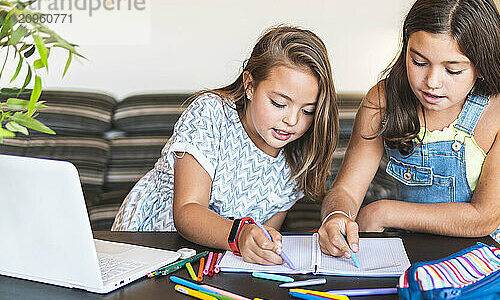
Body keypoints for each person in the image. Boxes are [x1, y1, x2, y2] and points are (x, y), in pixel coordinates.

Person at [318, 0, 500, 259]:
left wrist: (383, 211)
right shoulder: (383, 100)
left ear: (482, 65)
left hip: (481, 264)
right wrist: (337, 215)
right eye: (419, 62)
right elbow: (346, 189)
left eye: (453, 69)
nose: (431, 83)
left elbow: (483, 218)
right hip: (405, 256)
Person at [112, 25, 338, 265]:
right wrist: (240, 235)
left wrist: (262, 245)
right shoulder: (210, 114)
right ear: (250, 86)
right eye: (279, 103)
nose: (292, 121)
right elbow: (188, 210)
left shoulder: (300, 154)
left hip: (214, 261)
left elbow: (262, 235)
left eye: (307, 110)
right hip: (149, 244)